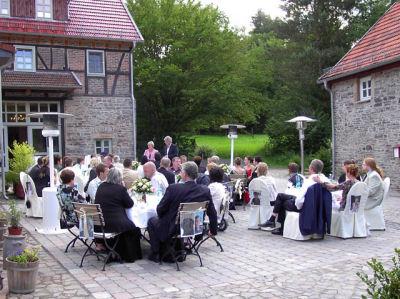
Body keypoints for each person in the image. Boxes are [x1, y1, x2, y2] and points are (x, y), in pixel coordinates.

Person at [147, 162, 218, 262]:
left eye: (181, 171)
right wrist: (213, 230)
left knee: (151, 221)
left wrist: (164, 216)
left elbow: (160, 209)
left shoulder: (174, 188)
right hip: (194, 227)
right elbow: (212, 212)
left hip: (175, 228)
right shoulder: (204, 190)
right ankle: (174, 248)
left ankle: (156, 252)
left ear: (184, 174)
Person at [259, 159, 329, 235]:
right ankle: (273, 221)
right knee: (281, 197)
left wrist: (297, 204)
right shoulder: (324, 179)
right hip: (317, 207)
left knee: (282, 201)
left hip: (305, 207)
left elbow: (300, 200)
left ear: (311, 168)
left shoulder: (309, 181)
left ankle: (278, 226)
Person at [95, 168, 142, 262]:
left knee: (128, 225)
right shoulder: (120, 189)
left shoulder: (101, 186)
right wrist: (124, 189)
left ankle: (114, 248)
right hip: (115, 224)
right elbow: (130, 204)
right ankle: (129, 254)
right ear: (120, 178)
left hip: (100, 225)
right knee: (134, 228)